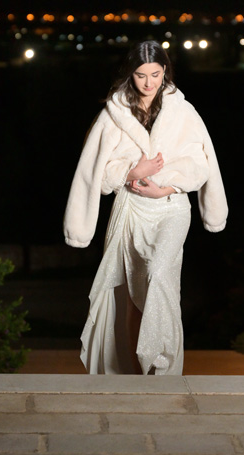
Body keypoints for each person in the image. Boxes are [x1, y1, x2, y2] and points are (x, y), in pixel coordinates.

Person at [64, 41, 228, 375]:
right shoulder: (113, 114)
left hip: (171, 207)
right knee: (133, 294)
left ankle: (164, 367)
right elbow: (96, 170)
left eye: (155, 74)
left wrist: (166, 186)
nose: (149, 82)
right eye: (141, 75)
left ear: (165, 71)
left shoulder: (183, 112)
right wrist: (132, 172)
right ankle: (136, 374)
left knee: (159, 275)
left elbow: (200, 163)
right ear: (130, 74)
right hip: (131, 210)